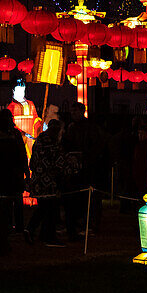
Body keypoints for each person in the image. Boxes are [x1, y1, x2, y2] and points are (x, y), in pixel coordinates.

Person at [24, 119, 74, 247]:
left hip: (38, 181)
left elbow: (32, 163)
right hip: (49, 182)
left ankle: (32, 230)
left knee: (43, 208)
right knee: (51, 209)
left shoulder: (39, 141)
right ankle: (48, 236)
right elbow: (59, 163)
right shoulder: (53, 144)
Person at [0, 108, 27, 255]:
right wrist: (24, 172)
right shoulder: (12, 137)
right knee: (7, 209)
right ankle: (5, 237)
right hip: (9, 178)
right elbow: (20, 155)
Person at [62, 101, 102, 238]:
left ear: (81, 111)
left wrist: (84, 158)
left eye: (75, 111)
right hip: (76, 168)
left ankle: (90, 224)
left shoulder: (90, 128)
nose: (72, 114)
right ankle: (79, 223)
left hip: (88, 167)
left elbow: (94, 147)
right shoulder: (72, 127)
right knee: (77, 197)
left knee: (89, 198)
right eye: (71, 111)